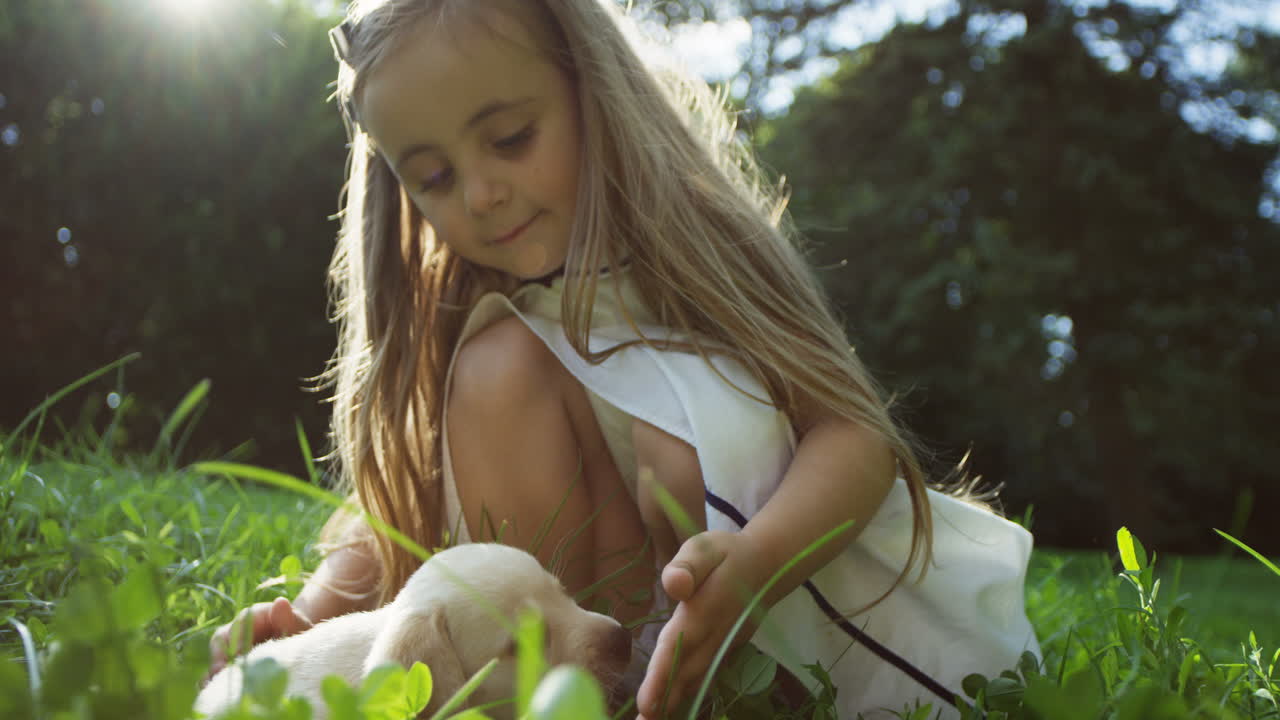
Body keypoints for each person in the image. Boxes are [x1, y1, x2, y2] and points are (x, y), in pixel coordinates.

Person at [208, 0, 1040, 717]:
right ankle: (575, 697)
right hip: (581, 645)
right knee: (495, 368)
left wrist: (755, 566)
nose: (480, 193)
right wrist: (312, 614)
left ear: (589, 91)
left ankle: (716, 689)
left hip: (783, 633)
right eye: (430, 176)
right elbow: (397, 496)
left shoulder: (700, 251)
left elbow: (854, 437)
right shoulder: (465, 305)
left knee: (676, 434)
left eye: (510, 137)